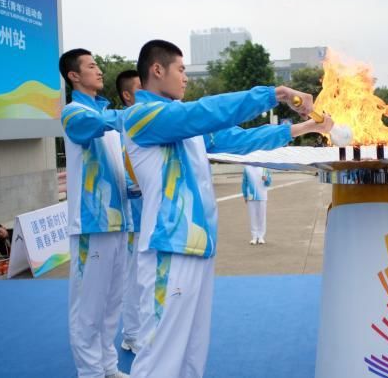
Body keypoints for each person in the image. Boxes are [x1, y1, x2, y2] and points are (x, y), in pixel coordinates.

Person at [123, 40, 332, 378]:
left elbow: (240, 140)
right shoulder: (142, 116)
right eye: (180, 70)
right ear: (157, 70)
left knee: (192, 352)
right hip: (169, 249)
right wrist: (274, 94)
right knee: (160, 355)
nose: (186, 78)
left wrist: (306, 128)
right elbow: (204, 112)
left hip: (197, 247)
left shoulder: (186, 127)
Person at [60, 49, 131, 378]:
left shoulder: (110, 120)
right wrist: (137, 115)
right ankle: (90, 373)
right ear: (74, 76)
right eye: (91, 66)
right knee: (88, 310)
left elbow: (116, 172)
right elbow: (94, 125)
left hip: (118, 224)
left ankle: (108, 367)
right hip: (91, 226)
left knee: (111, 306)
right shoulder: (74, 114)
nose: (99, 71)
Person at [115, 69, 144, 355]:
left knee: (147, 277)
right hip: (133, 217)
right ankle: (132, 334)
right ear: (127, 95)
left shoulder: (147, 125)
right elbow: (124, 174)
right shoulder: (122, 128)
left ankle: (140, 331)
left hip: (151, 217)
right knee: (133, 278)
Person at [242, 165, 272, 245]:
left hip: (262, 196)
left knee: (261, 217)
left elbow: (269, 183)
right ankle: (254, 237)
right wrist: (245, 195)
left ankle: (261, 237)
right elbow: (244, 182)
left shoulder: (265, 168)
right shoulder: (247, 168)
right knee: (253, 217)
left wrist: (266, 180)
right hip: (251, 196)